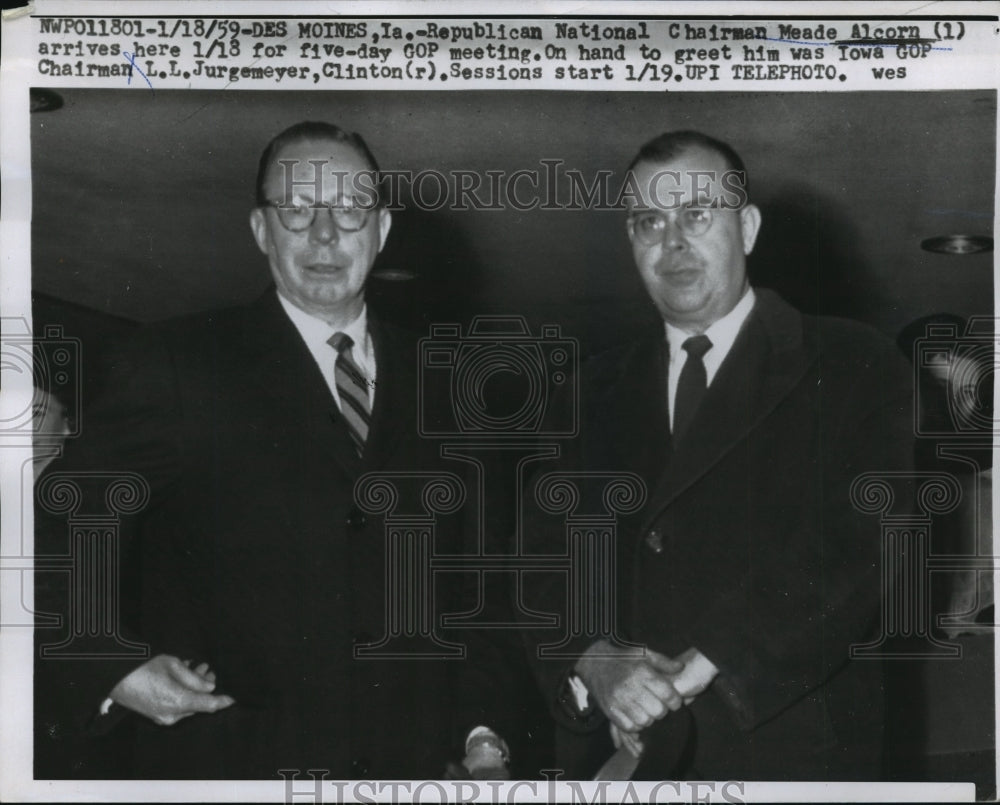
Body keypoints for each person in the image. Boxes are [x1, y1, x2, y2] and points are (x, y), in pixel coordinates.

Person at [34, 121, 468, 779]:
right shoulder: (179, 362)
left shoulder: (448, 381)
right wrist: (109, 662)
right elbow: (58, 521)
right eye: (296, 208)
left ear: (380, 230)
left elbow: (478, 589)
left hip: (408, 767)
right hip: (233, 762)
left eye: (349, 209)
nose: (324, 233)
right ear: (262, 231)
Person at [509, 130, 916, 780]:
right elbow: (538, 561)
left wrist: (705, 662)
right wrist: (595, 659)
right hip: (625, 759)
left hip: (792, 759)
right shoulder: (584, 392)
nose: (672, 244)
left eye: (697, 213)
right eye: (649, 221)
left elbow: (865, 546)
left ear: (747, 227)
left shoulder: (853, 364)